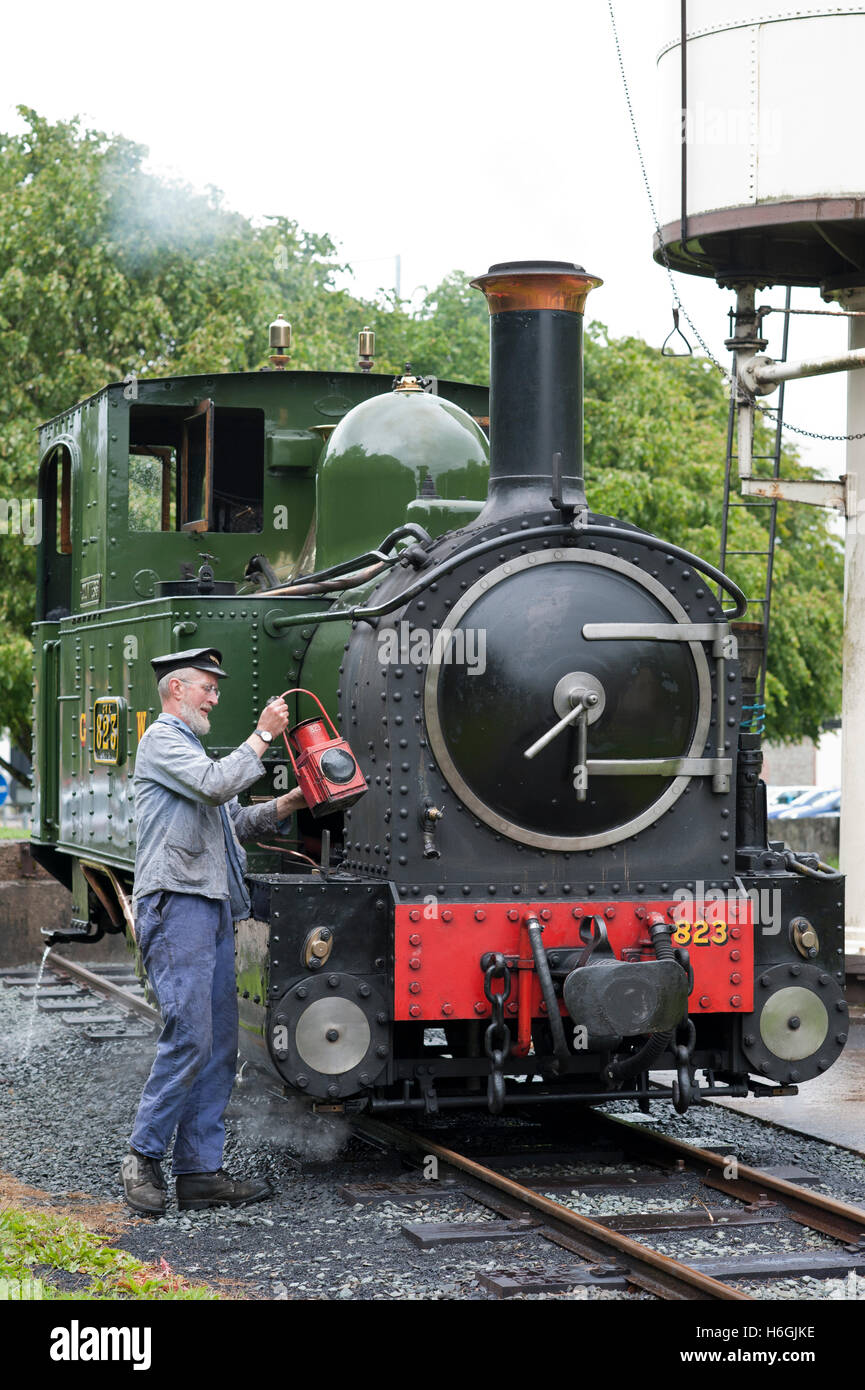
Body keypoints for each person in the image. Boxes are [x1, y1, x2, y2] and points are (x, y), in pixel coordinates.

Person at [120, 647, 305, 1216]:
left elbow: (234, 821)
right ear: (176, 689)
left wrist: (292, 801)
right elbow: (214, 786)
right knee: (191, 1036)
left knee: (220, 1044)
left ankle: (199, 1173)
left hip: (212, 907)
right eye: (207, 687)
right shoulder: (164, 741)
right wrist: (263, 737)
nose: (215, 697)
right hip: (178, 905)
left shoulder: (193, 749)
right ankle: (141, 1157)